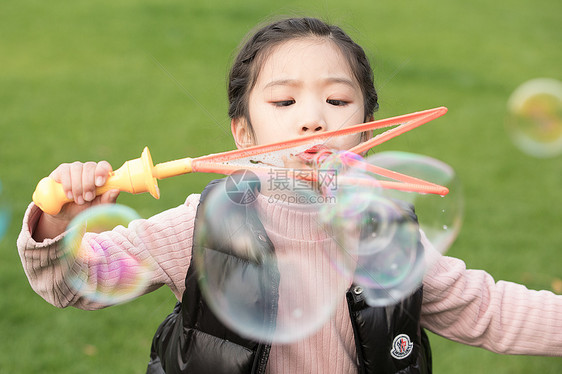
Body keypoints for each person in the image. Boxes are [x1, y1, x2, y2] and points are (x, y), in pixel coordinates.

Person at [17, 17, 562, 374]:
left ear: (369, 132)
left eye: (336, 99)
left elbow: (488, 309)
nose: (312, 120)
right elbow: (74, 284)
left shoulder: (386, 233)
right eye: (283, 102)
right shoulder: (204, 221)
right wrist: (55, 226)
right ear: (242, 134)